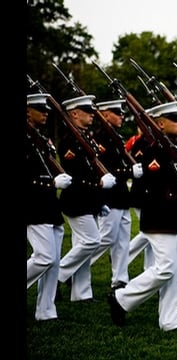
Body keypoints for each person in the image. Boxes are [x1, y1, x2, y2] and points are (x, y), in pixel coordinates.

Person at [107, 100, 177, 331]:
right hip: (159, 218)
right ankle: (123, 298)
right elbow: (155, 190)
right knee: (166, 268)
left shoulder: (174, 148)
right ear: (160, 123)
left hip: (176, 217)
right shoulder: (154, 152)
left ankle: (170, 319)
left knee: (176, 270)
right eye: (175, 120)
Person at [57, 95, 117, 302]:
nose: (92, 115)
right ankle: (58, 274)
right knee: (92, 241)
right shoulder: (68, 141)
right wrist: (99, 184)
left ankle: (81, 293)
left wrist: (99, 200)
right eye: (87, 111)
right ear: (74, 114)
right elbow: (75, 173)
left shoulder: (86, 137)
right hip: (76, 200)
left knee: (82, 245)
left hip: (88, 201)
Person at [26, 93, 72, 321]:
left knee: (54, 261)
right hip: (33, 205)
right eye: (39, 109)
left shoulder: (40, 138)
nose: (45, 113)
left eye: (45, 110)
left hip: (49, 203)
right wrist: (50, 182)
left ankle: (46, 310)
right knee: (43, 257)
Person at [90, 99, 143, 291]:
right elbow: (107, 168)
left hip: (121, 196)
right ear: (104, 115)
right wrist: (129, 172)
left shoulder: (116, 137)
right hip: (109, 196)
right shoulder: (100, 139)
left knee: (122, 241)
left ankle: (120, 279)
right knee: (105, 238)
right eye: (116, 113)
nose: (121, 116)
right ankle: (77, 267)